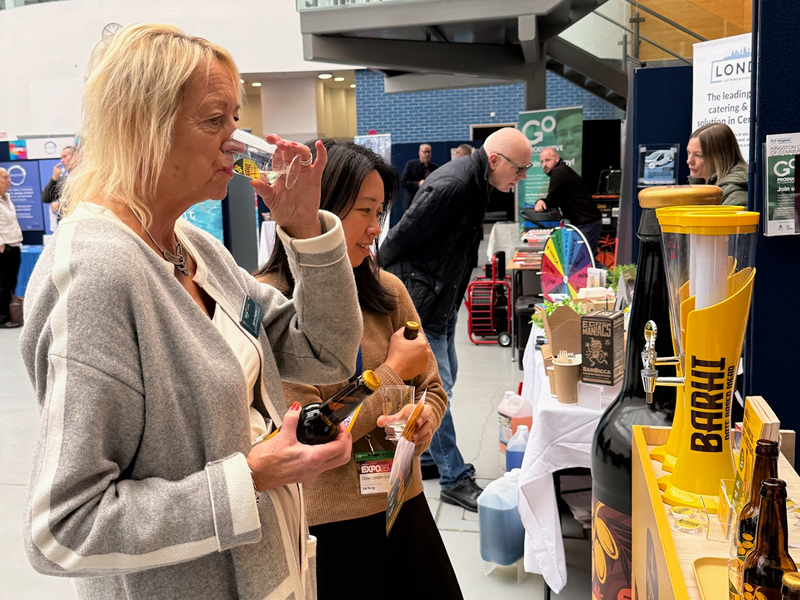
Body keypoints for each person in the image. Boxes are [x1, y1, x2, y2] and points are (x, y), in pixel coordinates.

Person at [18, 23, 362, 600]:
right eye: (213, 120)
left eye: (236, 118)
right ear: (141, 127)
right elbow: (63, 529)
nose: (237, 141)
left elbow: (324, 349)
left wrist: (305, 228)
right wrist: (250, 476)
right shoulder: (98, 276)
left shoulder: (193, 247)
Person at [255, 141, 461, 600]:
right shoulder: (270, 301)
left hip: (400, 503)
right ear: (321, 208)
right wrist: (389, 373)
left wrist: (424, 418)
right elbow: (309, 431)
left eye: (380, 212)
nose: (374, 229)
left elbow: (431, 385)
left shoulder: (387, 290)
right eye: (364, 211)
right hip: (328, 524)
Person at [380, 127, 532, 511]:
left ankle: (429, 457)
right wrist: (383, 284)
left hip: (442, 300)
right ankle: (454, 477)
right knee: (435, 390)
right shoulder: (455, 184)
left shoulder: (478, 181)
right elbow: (399, 237)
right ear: (495, 159)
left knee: (447, 380)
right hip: (425, 302)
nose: (523, 177)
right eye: (520, 169)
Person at [535, 147, 603, 256]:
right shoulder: (562, 170)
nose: (544, 165)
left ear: (556, 159)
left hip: (587, 223)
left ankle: (611, 273)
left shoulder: (559, 172)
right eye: (542, 162)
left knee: (583, 261)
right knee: (582, 261)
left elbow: (552, 199)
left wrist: (541, 201)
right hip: (584, 223)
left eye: (547, 160)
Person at [687, 122, 748, 206]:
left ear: (718, 158)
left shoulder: (736, 194)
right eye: (689, 153)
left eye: (698, 155)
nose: (689, 161)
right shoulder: (702, 184)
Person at [0, 168, 23, 329]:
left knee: (11, 283)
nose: (9, 180)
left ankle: (9, 312)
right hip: (4, 247)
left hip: (14, 245)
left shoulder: (7, 198)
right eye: (5, 177)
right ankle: (2, 318)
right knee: (3, 284)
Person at [400, 143, 438, 210]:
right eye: (425, 152)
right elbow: (403, 182)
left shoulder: (434, 168)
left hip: (428, 202)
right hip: (412, 202)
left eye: (429, 152)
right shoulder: (411, 164)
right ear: (419, 153)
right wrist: (418, 184)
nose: (427, 154)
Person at [41, 145, 74, 221]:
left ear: (75, 157)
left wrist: (60, 205)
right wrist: (54, 178)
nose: (62, 161)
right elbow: (46, 198)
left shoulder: (85, 177)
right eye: (61, 158)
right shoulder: (63, 179)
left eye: (65, 156)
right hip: (63, 225)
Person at [555, 110, 583, 174]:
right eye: (563, 134)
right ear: (556, 140)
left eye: (576, 131)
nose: (569, 139)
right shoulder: (549, 183)